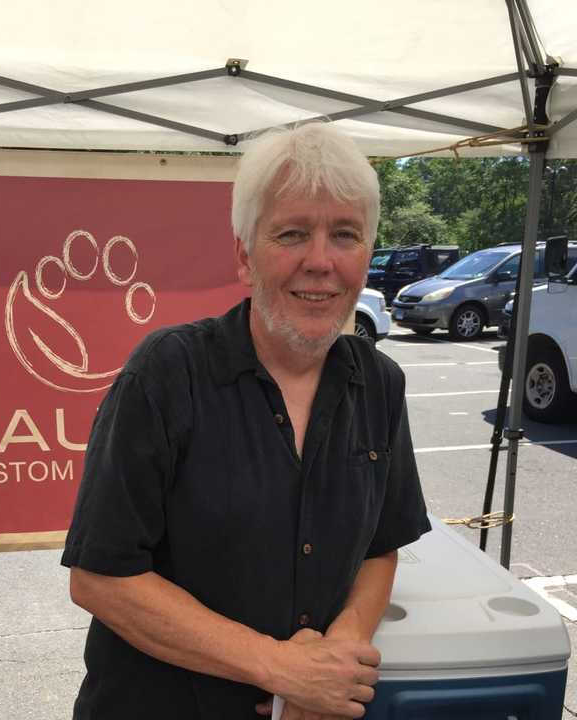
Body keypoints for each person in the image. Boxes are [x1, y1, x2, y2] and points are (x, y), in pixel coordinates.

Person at [61, 122, 431, 720]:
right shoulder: (166, 373)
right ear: (244, 256)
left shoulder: (381, 384)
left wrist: (337, 656)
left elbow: (381, 548)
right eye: (291, 233)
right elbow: (100, 578)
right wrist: (280, 667)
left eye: (345, 234)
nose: (320, 261)